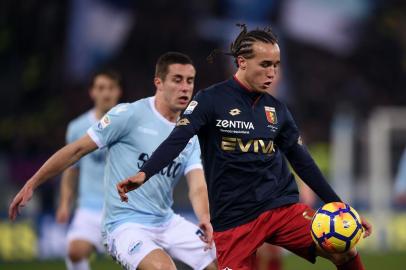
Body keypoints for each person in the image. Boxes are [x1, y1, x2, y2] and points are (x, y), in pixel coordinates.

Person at [117, 25, 373, 270]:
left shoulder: (277, 110)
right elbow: (178, 138)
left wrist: (340, 208)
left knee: (343, 249)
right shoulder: (210, 100)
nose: (272, 73)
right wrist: (145, 173)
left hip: (280, 209)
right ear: (241, 62)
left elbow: (302, 161)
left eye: (276, 65)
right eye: (265, 64)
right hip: (234, 220)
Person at [9, 52, 217, 270]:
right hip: (124, 224)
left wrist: (204, 216)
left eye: (190, 81)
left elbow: (197, 185)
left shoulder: (189, 134)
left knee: (224, 262)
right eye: (177, 80)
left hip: (166, 221)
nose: (185, 87)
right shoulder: (129, 114)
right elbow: (76, 150)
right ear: (159, 83)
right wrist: (33, 182)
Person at [56, 70, 122, 270]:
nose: (106, 94)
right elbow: (71, 170)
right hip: (89, 208)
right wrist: (65, 203)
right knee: (75, 252)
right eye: (101, 88)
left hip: (122, 209)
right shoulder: (77, 128)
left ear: (118, 91)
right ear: (92, 92)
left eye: (111, 88)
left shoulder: (130, 123)